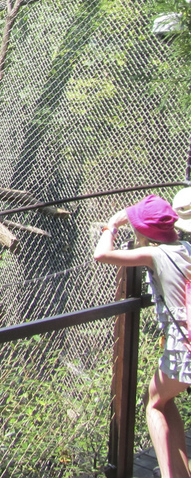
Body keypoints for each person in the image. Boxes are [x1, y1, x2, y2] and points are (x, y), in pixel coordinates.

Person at [95, 191, 191, 478]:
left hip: (184, 346)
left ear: (144, 231)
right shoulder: (185, 247)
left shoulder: (154, 253)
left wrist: (111, 226)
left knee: (154, 405)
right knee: (162, 399)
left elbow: (102, 254)